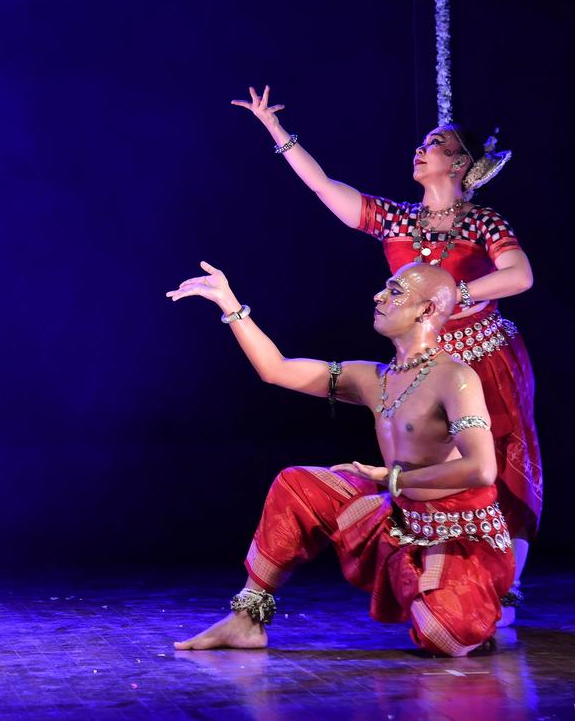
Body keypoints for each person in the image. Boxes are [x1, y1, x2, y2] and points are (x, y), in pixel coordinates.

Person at [232, 86, 539, 624]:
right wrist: (276, 131)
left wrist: (453, 296)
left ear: (461, 164)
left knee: (496, 463)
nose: (421, 149)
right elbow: (325, 187)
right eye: (421, 143)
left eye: (436, 144)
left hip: (484, 353)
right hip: (424, 353)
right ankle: (431, 568)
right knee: (426, 463)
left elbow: (520, 276)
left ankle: (502, 583)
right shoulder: (397, 220)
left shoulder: (483, 222)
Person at [166, 260, 513, 656]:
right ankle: (246, 621)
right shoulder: (374, 377)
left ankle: (474, 601)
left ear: (427, 309)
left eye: (395, 291)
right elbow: (276, 370)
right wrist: (230, 304)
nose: (378, 296)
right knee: (297, 485)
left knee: (446, 637)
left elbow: (483, 469)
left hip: (457, 532)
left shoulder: (456, 377)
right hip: (398, 516)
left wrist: (391, 478)